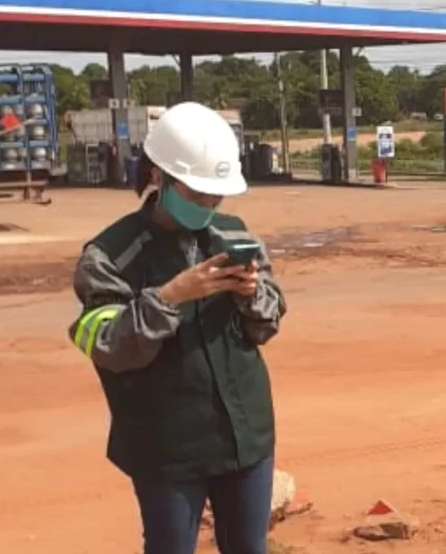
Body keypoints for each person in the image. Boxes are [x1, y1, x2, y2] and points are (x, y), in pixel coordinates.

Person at [66, 101, 287, 554]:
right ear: (157, 176)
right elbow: (106, 344)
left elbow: (268, 323)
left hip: (246, 436)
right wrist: (169, 298)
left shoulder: (234, 235)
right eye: (196, 194)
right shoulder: (111, 255)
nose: (208, 206)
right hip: (166, 443)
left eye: (215, 197)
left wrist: (250, 294)